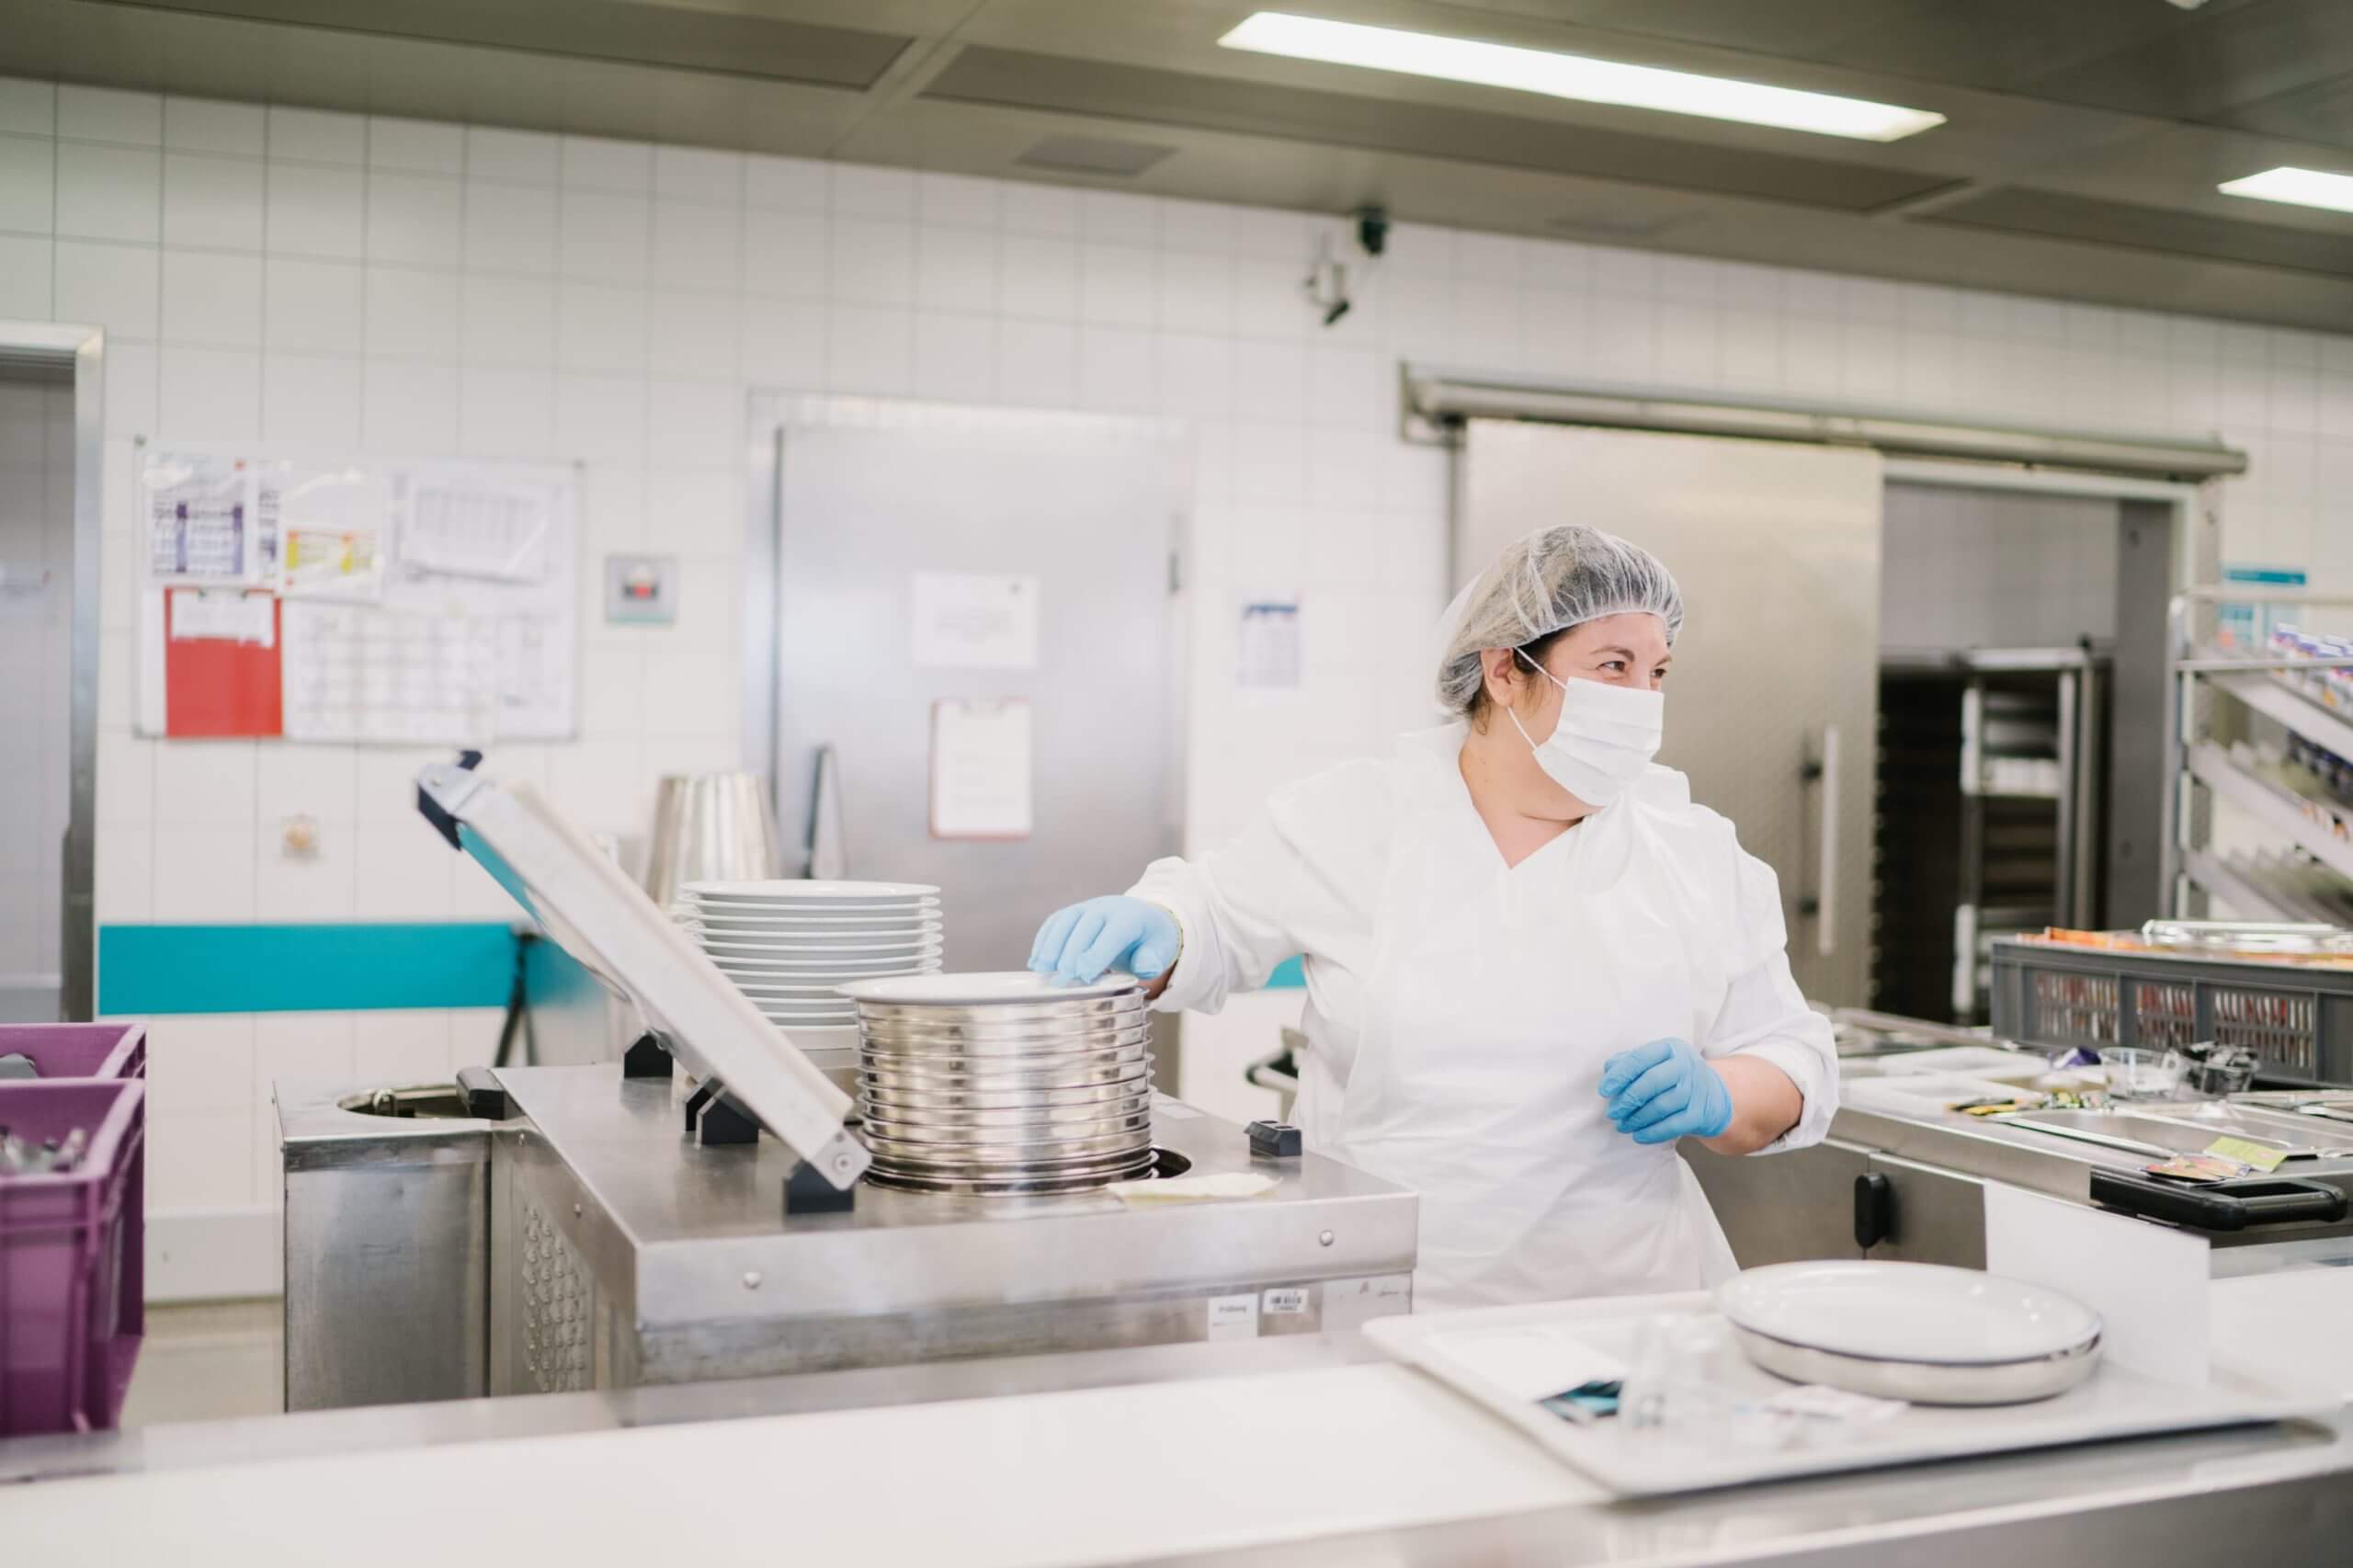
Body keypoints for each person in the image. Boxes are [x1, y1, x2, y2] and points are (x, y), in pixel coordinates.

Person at [1028, 523, 1836, 1310]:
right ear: (1503, 671)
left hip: (1622, 1307)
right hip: (1382, 1289)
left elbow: (1789, 1056)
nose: (1641, 701)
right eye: (1612, 666)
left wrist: (1724, 1095)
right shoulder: (1357, 816)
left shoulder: (1694, 852)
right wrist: (1163, 925)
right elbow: (1213, 917)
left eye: (1656, 672)